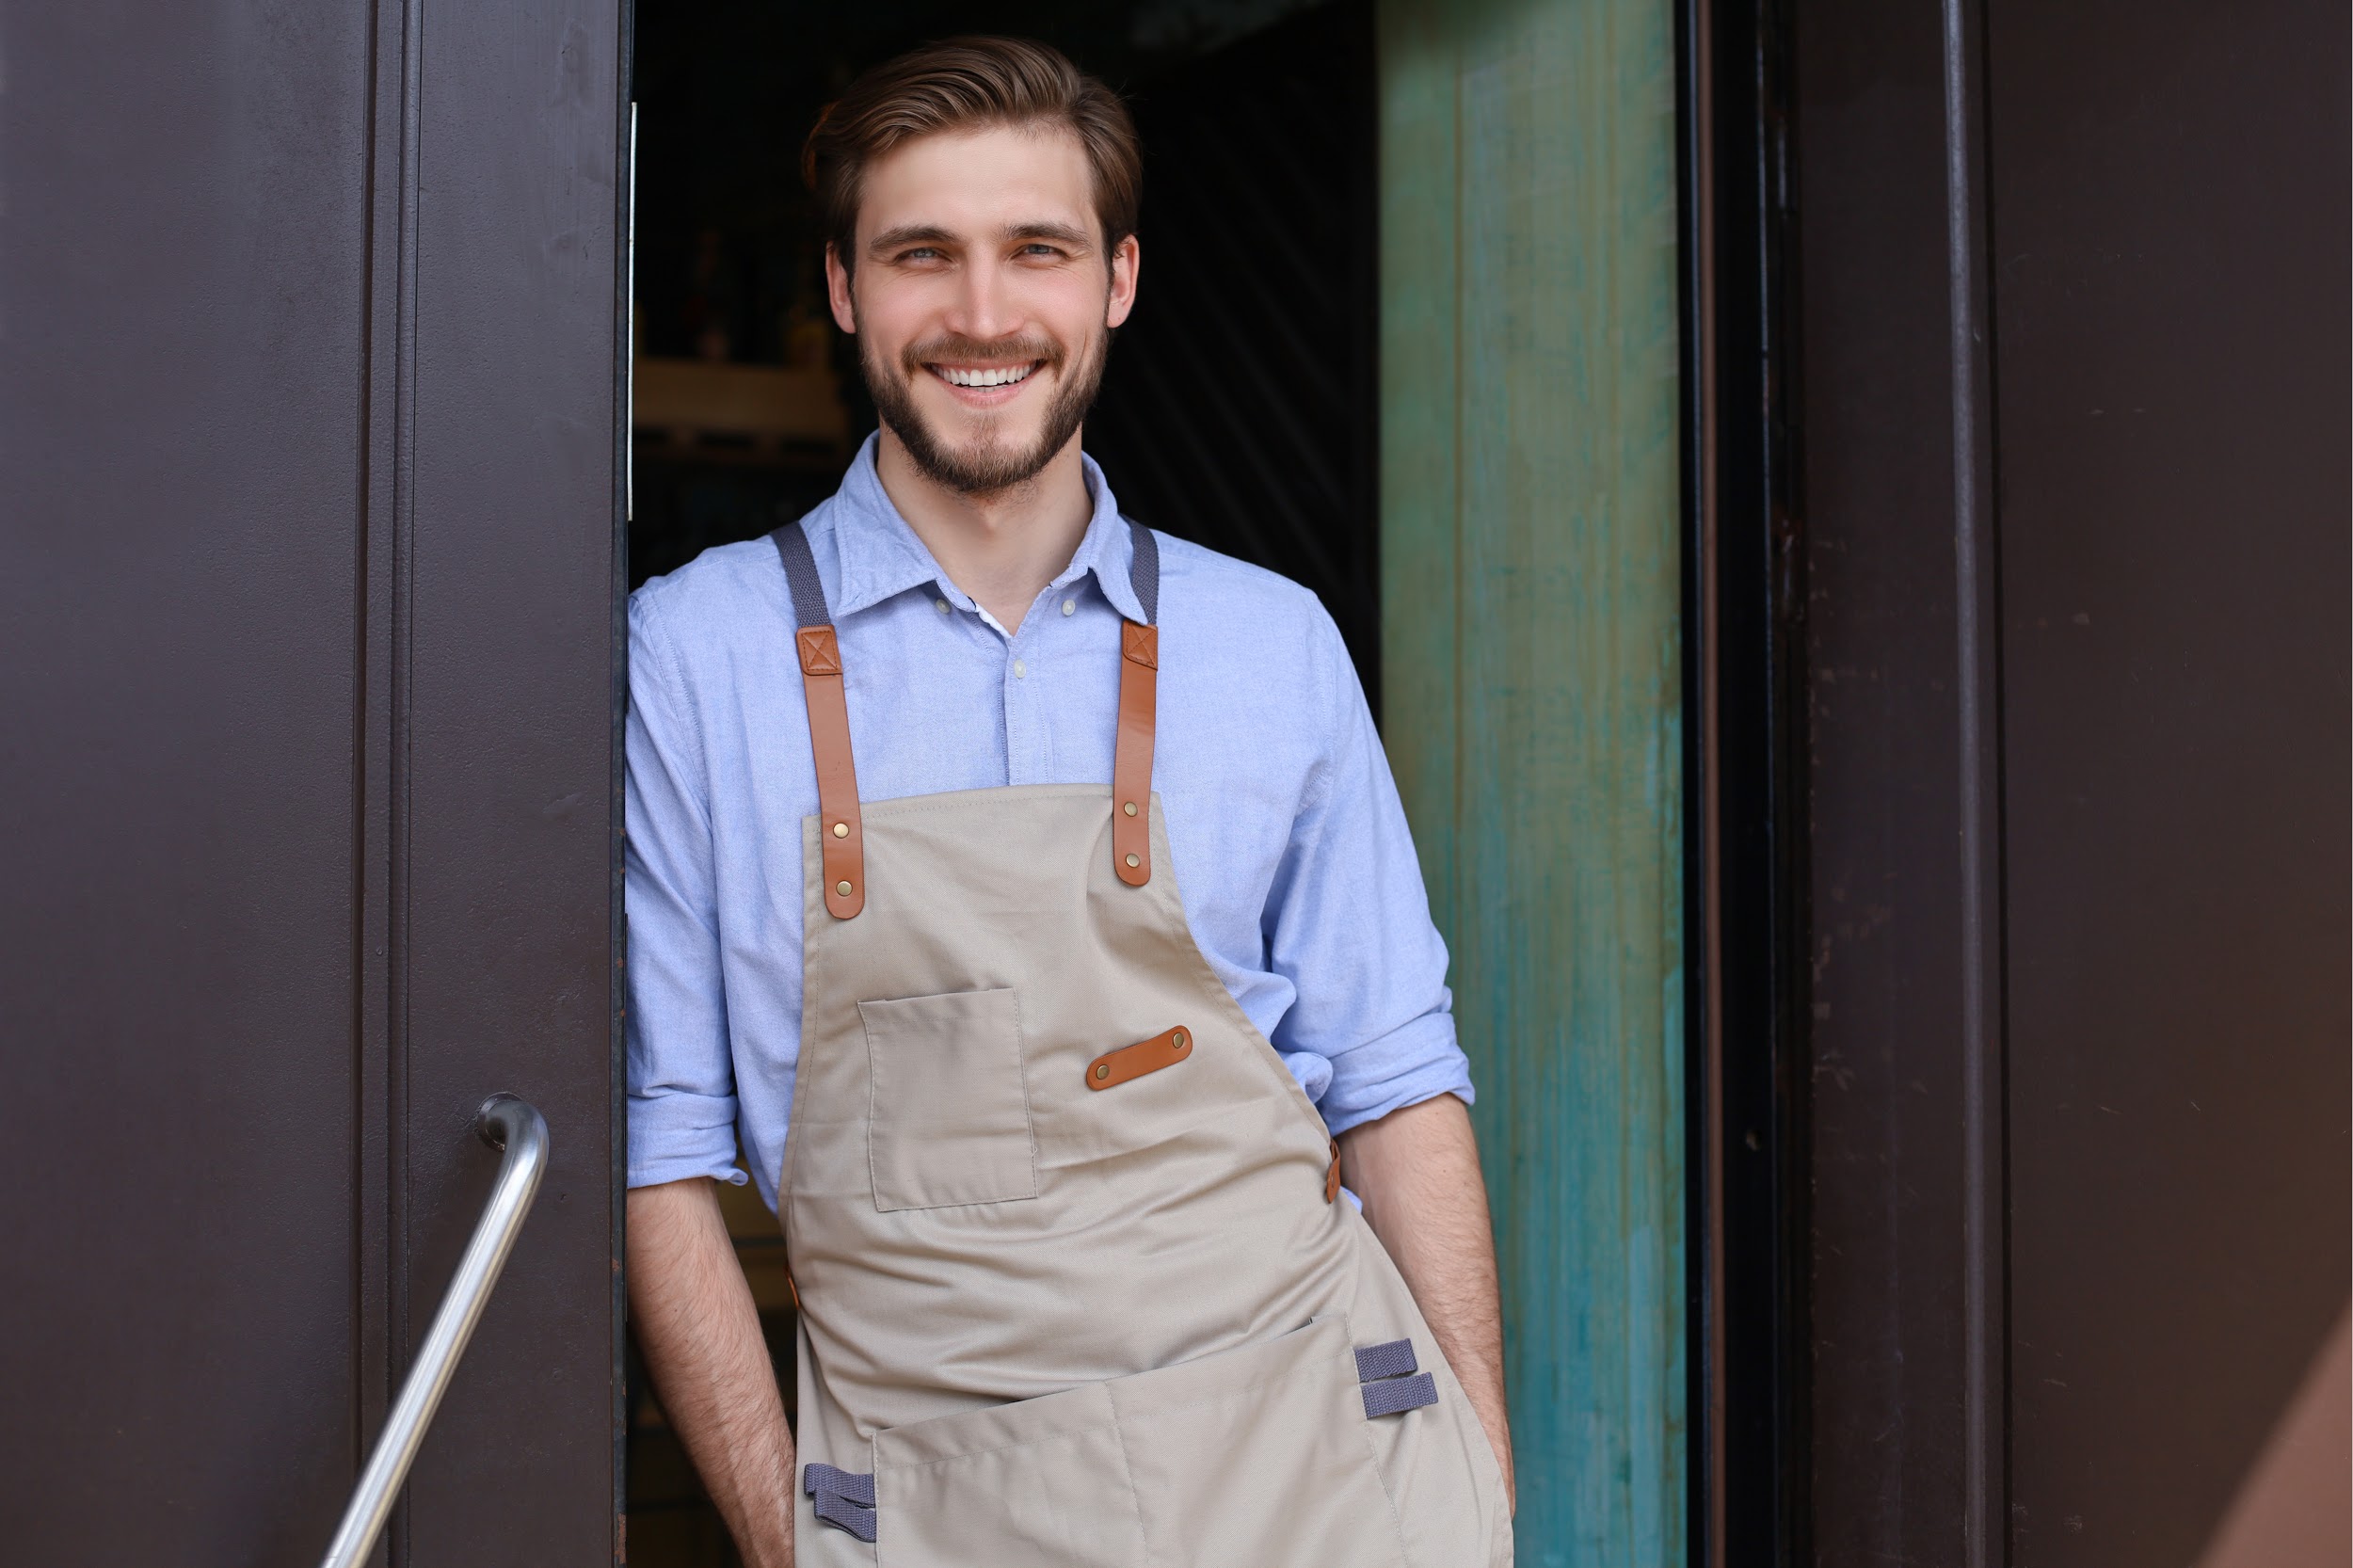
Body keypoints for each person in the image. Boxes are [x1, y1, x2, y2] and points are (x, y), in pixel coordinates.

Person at [624, 36, 1514, 1567]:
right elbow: (662, 1154)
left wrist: (1474, 1493)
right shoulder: (695, 655)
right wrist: (791, 1541)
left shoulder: (1272, 642)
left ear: (1118, 280)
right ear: (843, 287)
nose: (983, 314)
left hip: (1332, 1483)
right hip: (936, 1505)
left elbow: (1397, 1082)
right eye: (922, 253)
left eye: (1037, 249)